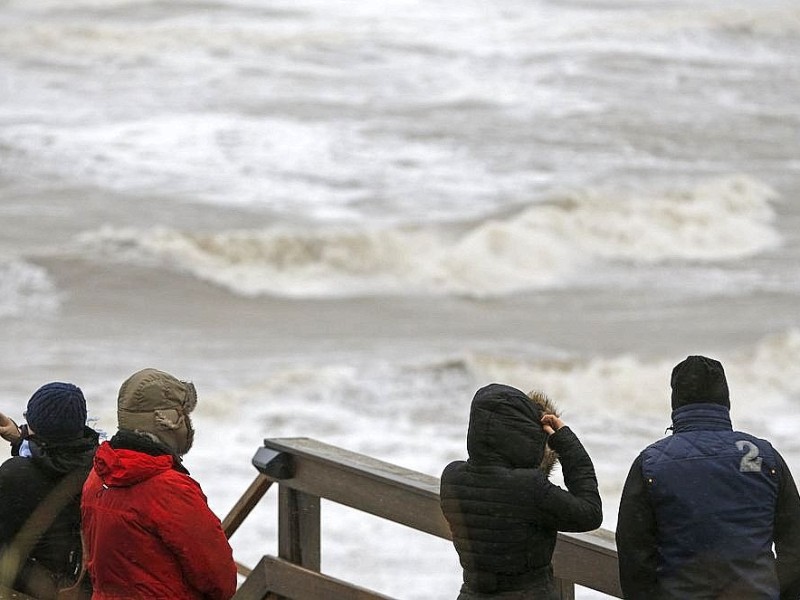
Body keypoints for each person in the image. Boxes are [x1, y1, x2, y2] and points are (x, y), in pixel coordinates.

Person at [616, 355, 800, 599]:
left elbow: (633, 553)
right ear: (726, 400)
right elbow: (794, 542)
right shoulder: (765, 456)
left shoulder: (652, 463)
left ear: (676, 402)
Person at [81, 367, 237, 599]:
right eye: (184, 415)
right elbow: (219, 579)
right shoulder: (170, 489)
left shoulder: (99, 474)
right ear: (169, 421)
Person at [440, 383, 603, 599]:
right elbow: (590, 513)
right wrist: (564, 440)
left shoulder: (452, 477)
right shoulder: (528, 487)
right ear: (521, 435)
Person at [0, 382, 99, 599]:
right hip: (79, 587)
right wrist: (20, 437)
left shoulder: (15, 474)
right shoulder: (97, 467)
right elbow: (58, 458)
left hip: (29, 589)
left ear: (34, 425)